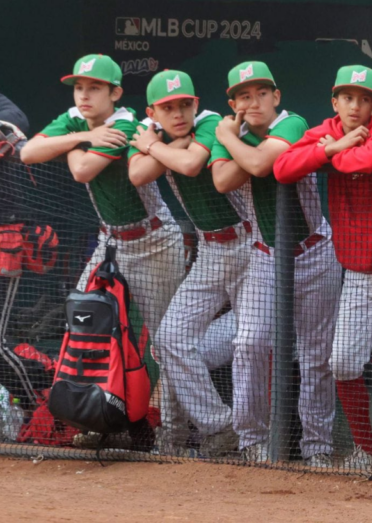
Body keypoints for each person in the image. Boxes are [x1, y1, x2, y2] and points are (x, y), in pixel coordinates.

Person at [274, 65, 372, 472]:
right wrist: (331, 147)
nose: (355, 106)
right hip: (357, 270)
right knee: (342, 361)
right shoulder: (326, 130)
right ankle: (365, 450)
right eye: (347, 97)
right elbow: (283, 168)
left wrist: (335, 150)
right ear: (334, 101)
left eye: (364, 99)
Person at [20, 55, 185, 434]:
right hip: (109, 243)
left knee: (166, 341)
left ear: (115, 92)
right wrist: (82, 137)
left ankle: (172, 433)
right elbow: (28, 152)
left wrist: (73, 143)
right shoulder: (78, 121)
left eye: (94, 87)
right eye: (79, 87)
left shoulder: (125, 124)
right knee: (86, 325)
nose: (84, 95)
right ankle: (96, 420)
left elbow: (81, 171)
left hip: (154, 241)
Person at [210, 60, 342, 466]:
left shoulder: (293, 122)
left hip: (314, 252)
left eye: (261, 93)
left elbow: (259, 165)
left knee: (316, 354)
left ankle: (317, 447)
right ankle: (252, 440)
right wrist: (233, 140)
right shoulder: (235, 135)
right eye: (244, 95)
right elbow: (221, 181)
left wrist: (224, 135)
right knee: (249, 342)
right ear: (233, 102)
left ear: (276, 97)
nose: (254, 102)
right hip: (264, 255)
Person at [127, 69, 249, 456]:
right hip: (211, 252)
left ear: (196, 103)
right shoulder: (152, 132)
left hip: (251, 246)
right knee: (169, 340)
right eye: (168, 107)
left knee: (255, 343)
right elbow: (136, 173)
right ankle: (220, 426)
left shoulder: (213, 121)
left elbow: (193, 164)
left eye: (185, 104)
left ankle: (259, 440)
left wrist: (155, 145)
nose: (179, 113)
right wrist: (161, 146)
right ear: (152, 111)